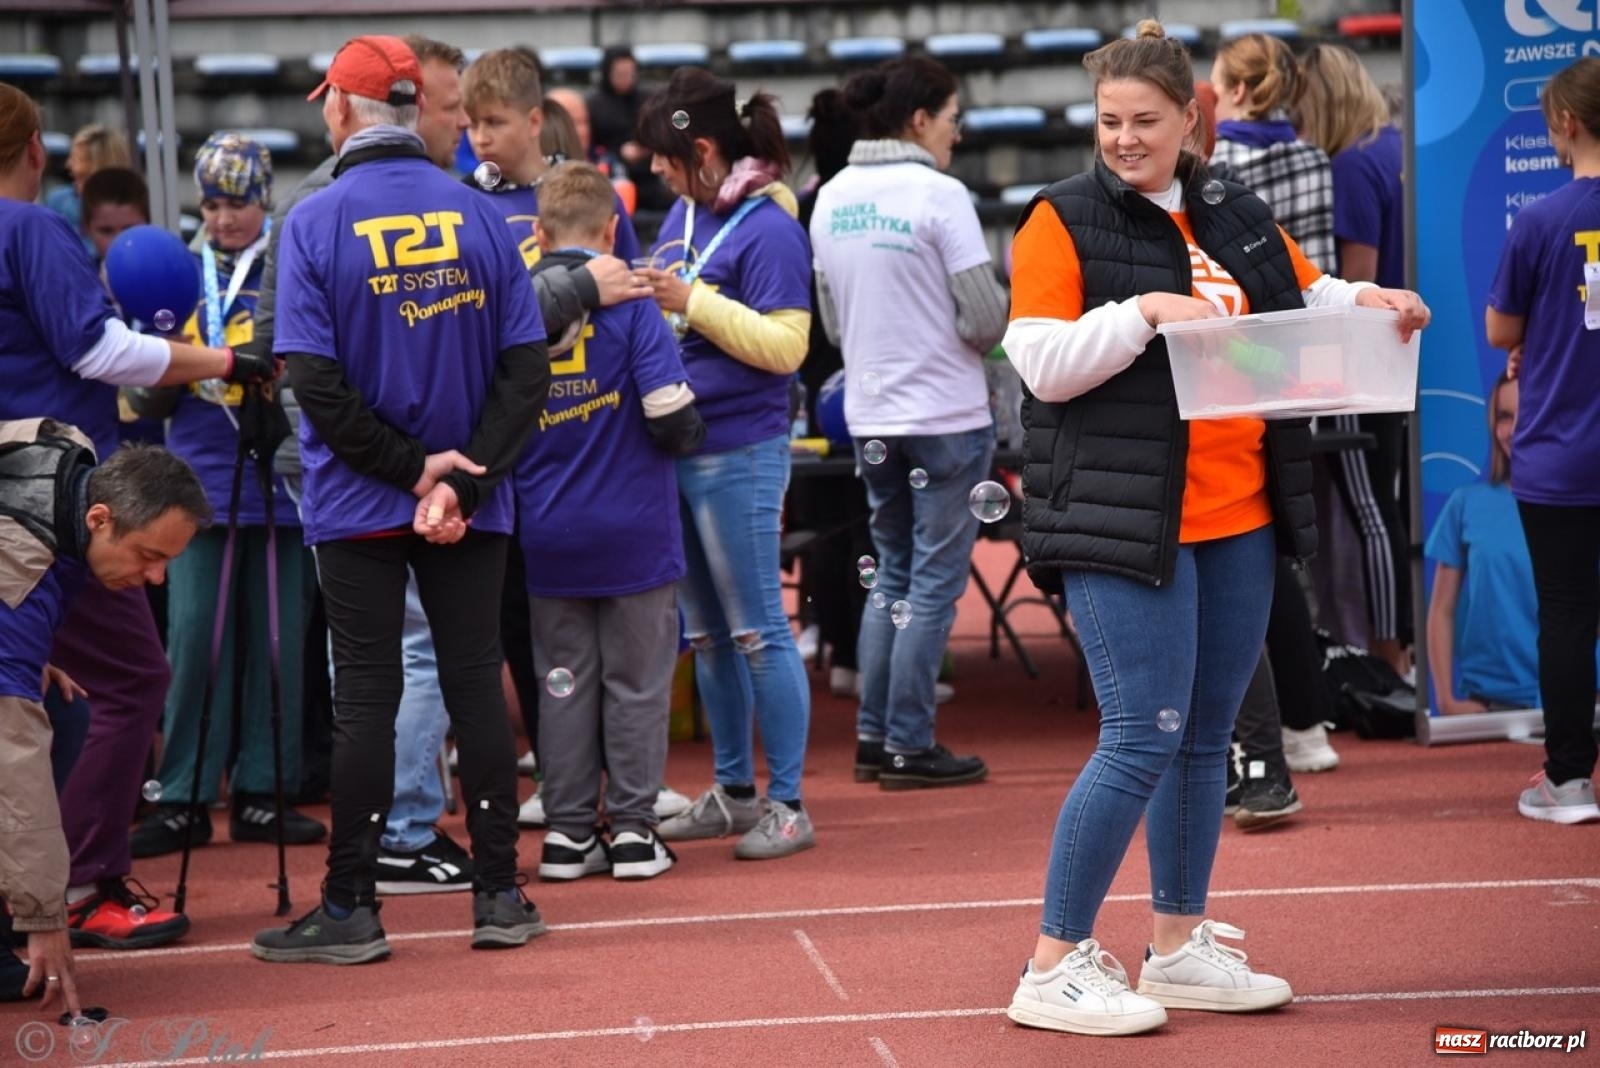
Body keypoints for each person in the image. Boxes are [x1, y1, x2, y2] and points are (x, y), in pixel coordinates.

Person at [1001, 21, 1429, 1035]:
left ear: (1191, 119)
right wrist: (1144, 310)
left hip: (1237, 512)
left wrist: (1369, 299)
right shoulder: (1057, 220)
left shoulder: (1228, 201)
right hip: (1122, 521)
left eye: (1143, 121)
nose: (1122, 139)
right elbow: (1039, 364)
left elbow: (1300, 293)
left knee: (1202, 743)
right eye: (1109, 121)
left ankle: (1178, 944)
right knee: (1139, 737)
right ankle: (1050, 964)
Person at [248, 34, 550, 964]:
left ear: (342, 109)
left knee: (368, 701)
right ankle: (498, 894)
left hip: (357, 497)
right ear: (419, 111)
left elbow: (316, 383)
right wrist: (462, 474)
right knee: (472, 682)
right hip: (470, 495)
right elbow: (527, 368)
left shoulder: (313, 219)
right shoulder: (477, 215)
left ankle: (351, 907)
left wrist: (410, 470)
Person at [1, 80, 273, 952]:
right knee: (128, 682)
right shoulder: (32, 226)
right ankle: (80, 883)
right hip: (59, 502)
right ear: (37, 151)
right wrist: (226, 357)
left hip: (20, 491)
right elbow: (97, 349)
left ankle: (62, 880)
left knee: (62, 693)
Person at [809, 57, 1007, 789]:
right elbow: (986, 320)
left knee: (891, 574)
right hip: (946, 414)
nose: (957, 132)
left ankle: (874, 736)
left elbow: (832, 319)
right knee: (929, 585)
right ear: (920, 120)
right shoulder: (940, 194)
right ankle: (908, 741)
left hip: (871, 414)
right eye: (953, 118)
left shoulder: (830, 197)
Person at [126, 133, 324, 859]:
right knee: (194, 642)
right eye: (212, 202)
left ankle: (266, 794)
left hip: (284, 479)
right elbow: (145, 399)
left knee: (277, 645)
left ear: (263, 199)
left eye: (237, 202)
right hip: (196, 486)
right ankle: (181, 797)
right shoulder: (178, 271)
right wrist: (159, 353)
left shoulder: (289, 263)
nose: (224, 218)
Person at [636, 67, 816, 859]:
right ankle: (736, 792)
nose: (652, 169)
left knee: (757, 631)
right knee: (709, 635)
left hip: (740, 449)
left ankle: (790, 804)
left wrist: (689, 303)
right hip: (683, 446)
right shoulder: (686, 213)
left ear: (702, 149)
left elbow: (788, 347)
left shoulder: (770, 227)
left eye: (662, 155)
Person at [515, 161, 705, 883]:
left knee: (560, 683)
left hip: (548, 534)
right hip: (633, 533)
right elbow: (671, 420)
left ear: (536, 235)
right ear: (609, 231)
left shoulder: (514, 312)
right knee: (635, 685)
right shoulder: (632, 310)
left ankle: (565, 837)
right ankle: (631, 833)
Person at [0, 425, 211, 1018]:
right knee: (17, 737)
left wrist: (31, 658)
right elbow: (11, 758)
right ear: (99, 518)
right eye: (149, 556)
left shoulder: (73, 457)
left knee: (66, 712)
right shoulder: (19, 572)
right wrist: (43, 912)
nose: (156, 579)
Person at [1209, 31, 1343, 819]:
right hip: (1299, 365)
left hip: (1232, 371)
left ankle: (1275, 740)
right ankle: (1307, 723)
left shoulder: (1217, 177)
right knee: (1286, 549)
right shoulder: (1313, 160)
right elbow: (1315, 268)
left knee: (1254, 558)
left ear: (1227, 90)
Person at [1484, 57, 1600, 825]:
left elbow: (1501, 329)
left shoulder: (1541, 218)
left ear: (1565, 123)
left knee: (1564, 613)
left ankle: (1568, 781)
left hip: (1561, 448)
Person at [1295, 42, 1413, 677]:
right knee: (1387, 506)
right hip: (1399, 359)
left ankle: (1389, 651)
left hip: (1361, 367)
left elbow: (1358, 283)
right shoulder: (1394, 149)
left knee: (1371, 511)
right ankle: (1397, 647)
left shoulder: (1352, 165)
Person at [1423, 373, 1594, 717]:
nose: (1514, 429)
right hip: (1493, 707)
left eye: (1526, 412)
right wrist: (1445, 700)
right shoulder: (1466, 504)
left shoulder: (1585, 504)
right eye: (1504, 416)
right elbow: (1441, 608)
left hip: (1581, 705)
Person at [791, 88, 874, 701]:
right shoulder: (860, 207)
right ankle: (857, 657)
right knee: (866, 527)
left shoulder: (805, 209)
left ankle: (838, 646)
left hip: (815, 382)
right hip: (861, 376)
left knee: (831, 527)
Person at [461, 48, 641, 270]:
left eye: (494, 122)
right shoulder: (463, 203)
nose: (480, 138)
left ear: (534, 122)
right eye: (472, 124)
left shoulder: (593, 193)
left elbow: (633, 287)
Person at [588, 45, 667, 209]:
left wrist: (646, 148)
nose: (627, 79)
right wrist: (619, 152)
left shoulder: (648, 99)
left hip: (648, 175)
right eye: (620, 74)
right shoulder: (594, 105)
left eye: (630, 74)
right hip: (612, 177)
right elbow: (592, 146)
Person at [45, 123, 133, 234]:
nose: (68, 165)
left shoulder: (134, 206)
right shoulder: (58, 203)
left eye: (75, 159)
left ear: (99, 165)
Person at [79, 167, 149, 263]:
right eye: (106, 231)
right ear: (86, 228)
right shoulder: (78, 276)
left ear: (148, 224)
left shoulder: (169, 272)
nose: (118, 242)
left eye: (129, 230)